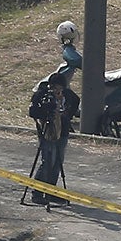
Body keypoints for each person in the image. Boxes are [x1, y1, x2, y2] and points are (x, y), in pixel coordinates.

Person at [26, 65, 79, 207]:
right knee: (48, 161)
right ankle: (37, 193)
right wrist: (46, 109)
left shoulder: (67, 95)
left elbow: (76, 101)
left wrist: (67, 115)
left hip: (62, 131)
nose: (58, 91)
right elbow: (32, 112)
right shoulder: (42, 94)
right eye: (55, 87)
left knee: (58, 162)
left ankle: (51, 192)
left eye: (60, 88)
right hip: (47, 132)